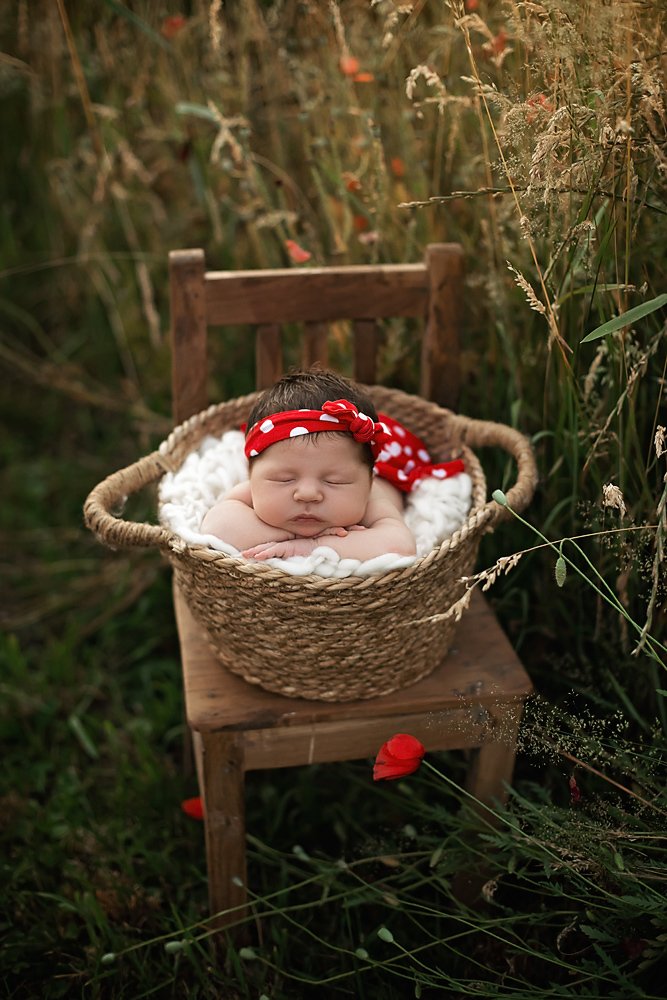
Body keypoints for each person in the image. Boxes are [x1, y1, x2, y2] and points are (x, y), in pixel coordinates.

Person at [200, 370, 464, 561]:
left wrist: (312, 547)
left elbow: (400, 546)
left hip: (390, 463)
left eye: (334, 481)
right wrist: (291, 536)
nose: (308, 494)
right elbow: (217, 526)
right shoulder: (257, 489)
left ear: (368, 482)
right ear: (251, 475)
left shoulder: (371, 500)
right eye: (284, 479)